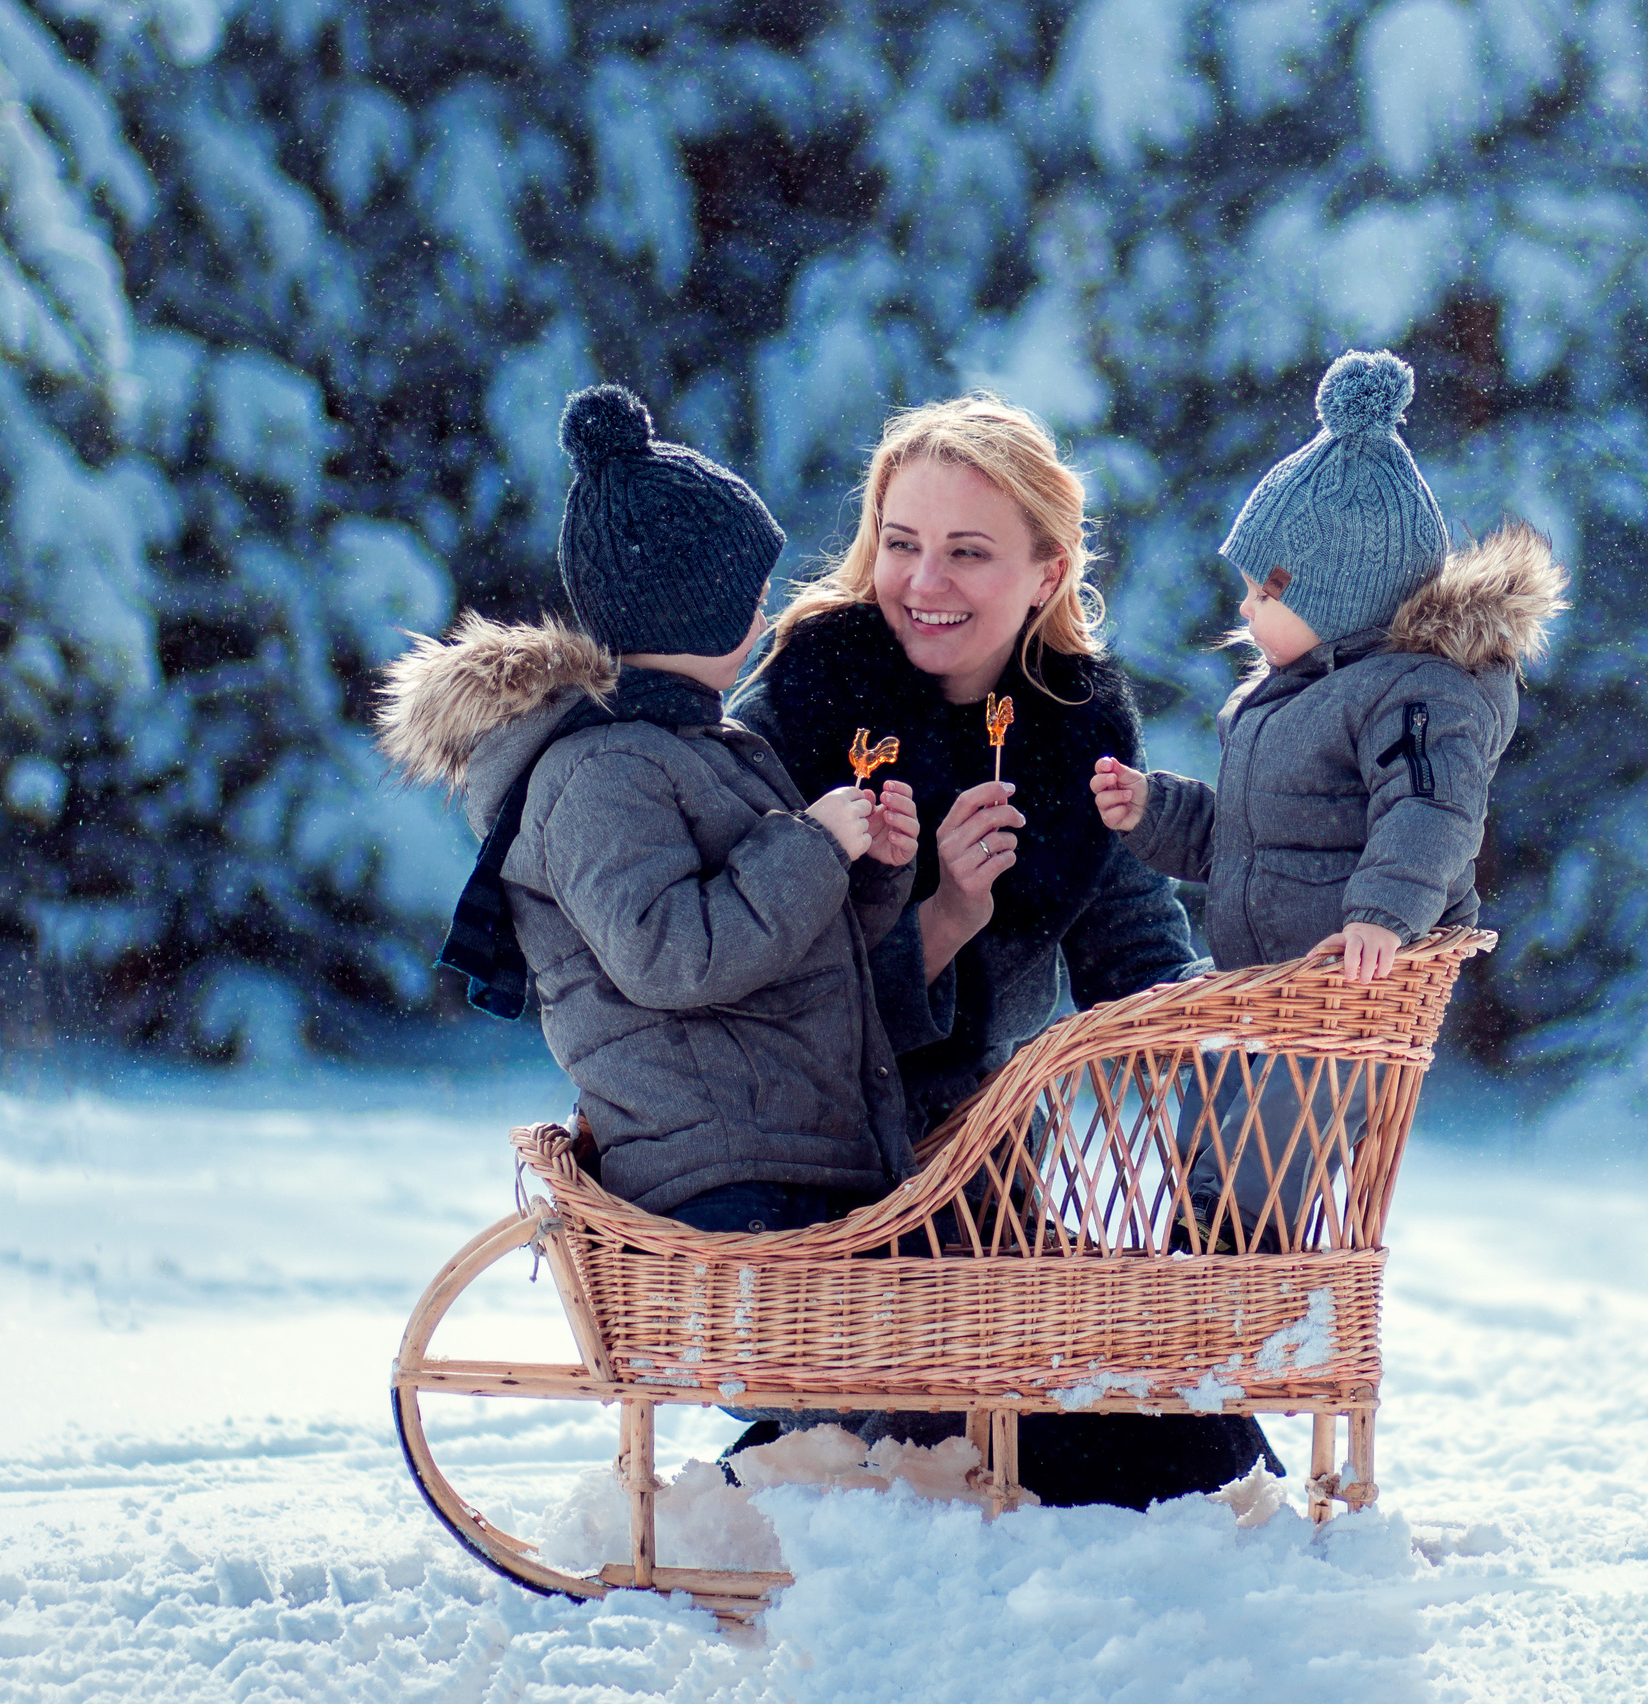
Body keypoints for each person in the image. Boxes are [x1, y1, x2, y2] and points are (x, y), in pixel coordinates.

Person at [726, 392, 1277, 1508]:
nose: (924, 584)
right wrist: (937, 925)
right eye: (902, 544)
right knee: (1052, 1457)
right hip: (822, 1203)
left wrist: (1234, 1042)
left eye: (968, 553)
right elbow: (744, 1002)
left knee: (1195, 1437)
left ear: (1046, 573)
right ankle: (825, 1455)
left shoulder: (1074, 743)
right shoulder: (794, 716)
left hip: (975, 1195)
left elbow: (1142, 956)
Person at [374, 383, 922, 1252]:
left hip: (788, 1152)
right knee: (857, 1383)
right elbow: (673, 956)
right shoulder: (600, 772)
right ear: (693, 605)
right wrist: (814, 842)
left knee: (908, 1362)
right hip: (716, 1175)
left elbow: (784, 943)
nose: (765, 608)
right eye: (751, 590)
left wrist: (869, 865)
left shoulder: (704, 747)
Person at [1091, 349, 1568, 1237]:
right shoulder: (1287, 700)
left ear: (1335, 592)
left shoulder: (1419, 694)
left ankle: (1242, 1246)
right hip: (1263, 989)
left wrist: (1384, 911)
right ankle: (1205, 1253)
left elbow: (1431, 809)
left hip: (1347, 996)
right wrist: (1155, 813)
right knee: (1211, 1113)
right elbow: (1245, 838)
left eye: (1260, 592)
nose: (1244, 613)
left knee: (1277, 1138)